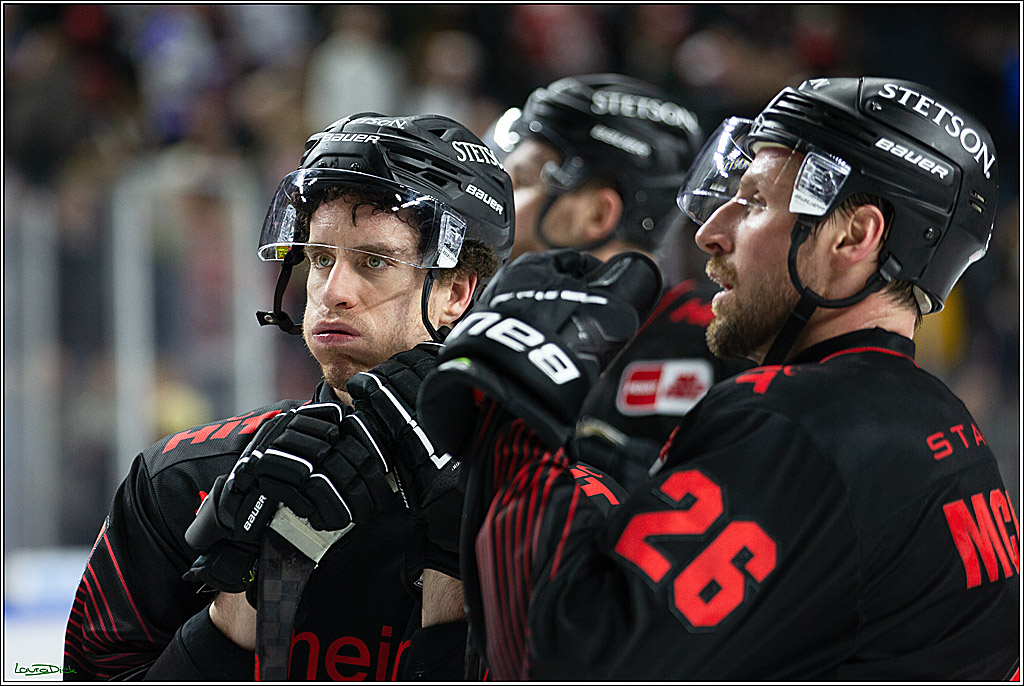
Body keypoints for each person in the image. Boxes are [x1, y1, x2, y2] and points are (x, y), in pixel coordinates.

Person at [418, 76, 1019, 679]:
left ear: (853, 236)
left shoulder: (794, 425)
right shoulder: (947, 429)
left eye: (755, 202)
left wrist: (510, 412)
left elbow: (566, 662)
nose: (710, 231)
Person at [63, 113, 514, 680]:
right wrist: (233, 610)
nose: (332, 292)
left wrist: (460, 551)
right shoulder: (182, 479)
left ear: (455, 292)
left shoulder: (528, 490)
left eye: (373, 261)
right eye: (322, 258)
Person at [491, 73, 752, 454]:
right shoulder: (481, 312)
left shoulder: (720, 347)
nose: (501, 202)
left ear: (598, 214)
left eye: (523, 181)